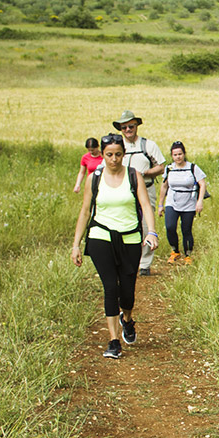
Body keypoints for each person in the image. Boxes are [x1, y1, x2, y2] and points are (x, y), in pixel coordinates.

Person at [71, 132, 158, 359]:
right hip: (100, 236)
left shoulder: (134, 176)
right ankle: (113, 341)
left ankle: (127, 320)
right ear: (103, 154)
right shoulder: (94, 178)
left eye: (118, 154)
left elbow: (145, 205)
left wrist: (152, 232)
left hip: (129, 238)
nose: (113, 159)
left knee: (127, 292)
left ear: (124, 154)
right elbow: (85, 211)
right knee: (110, 287)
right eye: (109, 154)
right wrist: (76, 245)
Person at [115, 110, 166, 274]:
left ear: (137, 126)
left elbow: (161, 167)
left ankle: (144, 264)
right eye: (124, 128)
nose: (128, 130)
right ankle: (126, 260)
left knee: (145, 225)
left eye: (131, 126)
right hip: (123, 190)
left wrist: (145, 173)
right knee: (123, 224)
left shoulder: (148, 145)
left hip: (146, 187)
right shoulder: (117, 146)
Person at [159, 142, 208, 260]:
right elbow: (164, 186)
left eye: (180, 154)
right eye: (175, 155)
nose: (178, 157)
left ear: (184, 154)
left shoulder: (192, 168)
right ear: (172, 156)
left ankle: (188, 254)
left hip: (189, 202)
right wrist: (161, 204)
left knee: (186, 229)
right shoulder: (169, 168)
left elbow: (202, 184)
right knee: (170, 227)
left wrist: (199, 201)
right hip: (172, 200)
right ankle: (175, 250)